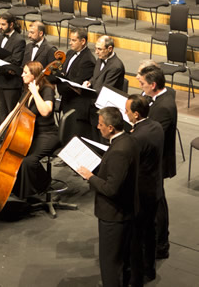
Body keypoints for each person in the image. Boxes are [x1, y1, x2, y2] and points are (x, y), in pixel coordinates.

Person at [78, 107, 139, 287]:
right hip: (126, 210)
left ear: (111, 127)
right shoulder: (129, 140)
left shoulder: (118, 151)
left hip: (114, 215)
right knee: (122, 260)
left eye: (101, 124)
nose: (98, 127)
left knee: (110, 263)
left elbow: (112, 189)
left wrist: (90, 176)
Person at [137, 65, 177, 260]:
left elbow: (152, 137)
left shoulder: (163, 108)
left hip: (157, 162)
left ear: (153, 85)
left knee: (157, 202)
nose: (140, 87)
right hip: (154, 160)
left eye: (143, 84)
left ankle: (161, 244)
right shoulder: (160, 96)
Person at [125, 94, 164, 284]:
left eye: (128, 111)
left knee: (136, 237)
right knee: (150, 232)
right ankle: (150, 269)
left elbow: (128, 165)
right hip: (155, 187)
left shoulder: (136, 138)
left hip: (140, 193)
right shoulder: (156, 126)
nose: (126, 113)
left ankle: (136, 276)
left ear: (137, 114)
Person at [10, 61, 58, 200]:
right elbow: (15, 110)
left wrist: (35, 93)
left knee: (29, 161)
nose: (22, 75)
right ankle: (20, 188)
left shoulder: (47, 89)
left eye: (25, 73)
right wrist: (1, 127)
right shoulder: (26, 90)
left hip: (48, 134)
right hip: (32, 133)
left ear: (35, 75)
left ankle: (39, 188)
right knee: (17, 155)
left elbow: (45, 111)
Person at [54, 27, 96, 140]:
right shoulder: (70, 53)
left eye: (73, 40)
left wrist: (59, 82)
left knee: (74, 138)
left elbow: (74, 84)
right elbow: (63, 72)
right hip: (67, 102)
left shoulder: (88, 60)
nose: (70, 42)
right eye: (70, 39)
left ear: (83, 41)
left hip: (77, 107)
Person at [83, 35, 126, 140]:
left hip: (106, 108)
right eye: (96, 48)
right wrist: (89, 82)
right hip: (95, 103)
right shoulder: (100, 59)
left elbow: (106, 90)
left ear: (110, 49)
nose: (96, 52)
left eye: (100, 49)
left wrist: (85, 91)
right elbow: (96, 77)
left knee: (101, 139)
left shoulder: (116, 66)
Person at [0, 12, 26, 124]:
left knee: (11, 112)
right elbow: (2, 55)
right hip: (0, 79)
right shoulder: (1, 37)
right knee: (1, 112)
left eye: (3, 24)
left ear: (11, 25)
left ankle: (11, 138)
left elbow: (16, 61)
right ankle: (1, 138)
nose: (0, 27)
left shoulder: (19, 40)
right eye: (0, 24)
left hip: (11, 82)